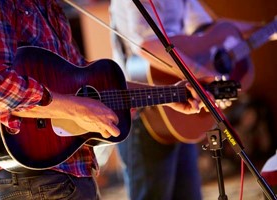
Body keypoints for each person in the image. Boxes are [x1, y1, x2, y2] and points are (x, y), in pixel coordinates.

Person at [0, 0, 207, 199]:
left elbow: (86, 83)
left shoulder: (51, 7)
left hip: (72, 172)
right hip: (34, 177)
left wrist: (166, 95)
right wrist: (76, 109)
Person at [109, 0, 258, 199]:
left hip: (180, 106)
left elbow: (210, 31)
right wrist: (200, 76)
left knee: (190, 195)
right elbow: (147, 46)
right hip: (144, 114)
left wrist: (264, 28)